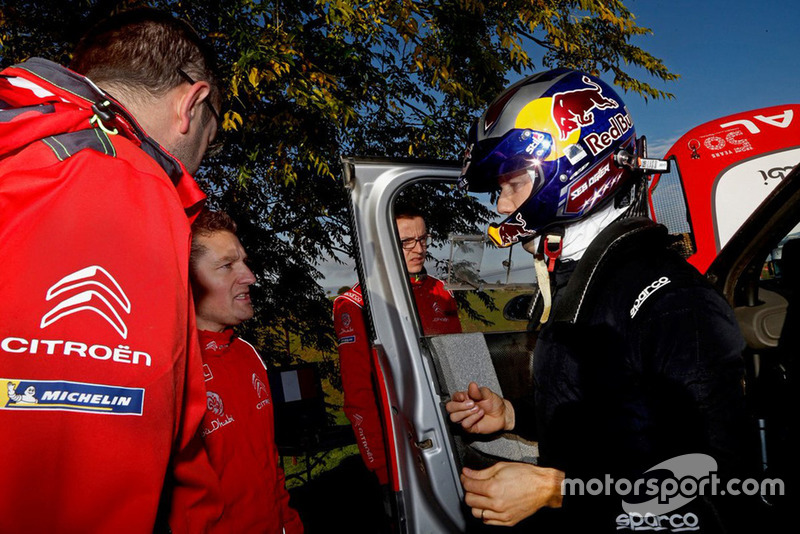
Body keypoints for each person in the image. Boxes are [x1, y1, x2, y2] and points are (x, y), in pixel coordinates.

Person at [447, 69, 756, 531]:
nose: (502, 207)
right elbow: (608, 412)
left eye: (512, 184)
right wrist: (512, 413)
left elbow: (720, 494)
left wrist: (556, 491)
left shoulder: (675, 303)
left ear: (570, 168)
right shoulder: (581, 283)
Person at [0, 9, 222, 533]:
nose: (197, 166)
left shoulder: (27, 144)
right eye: (208, 144)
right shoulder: (116, 176)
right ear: (190, 103)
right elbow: (85, 448)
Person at [190, 209, 303, 534]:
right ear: (187, 278)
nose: (250, 276)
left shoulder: (247, 354)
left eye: (243, 262)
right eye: (227, 266)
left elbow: (269, 461)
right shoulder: (172, 369)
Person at [334, 206, 462, 486]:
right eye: (406, 242)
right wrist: (381, 465)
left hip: (453, 429)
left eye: (423, 239)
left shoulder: (442, 291)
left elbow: (458, 364)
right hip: (400, 443)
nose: (419, 249)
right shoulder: (355, 305)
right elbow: (358, 394)